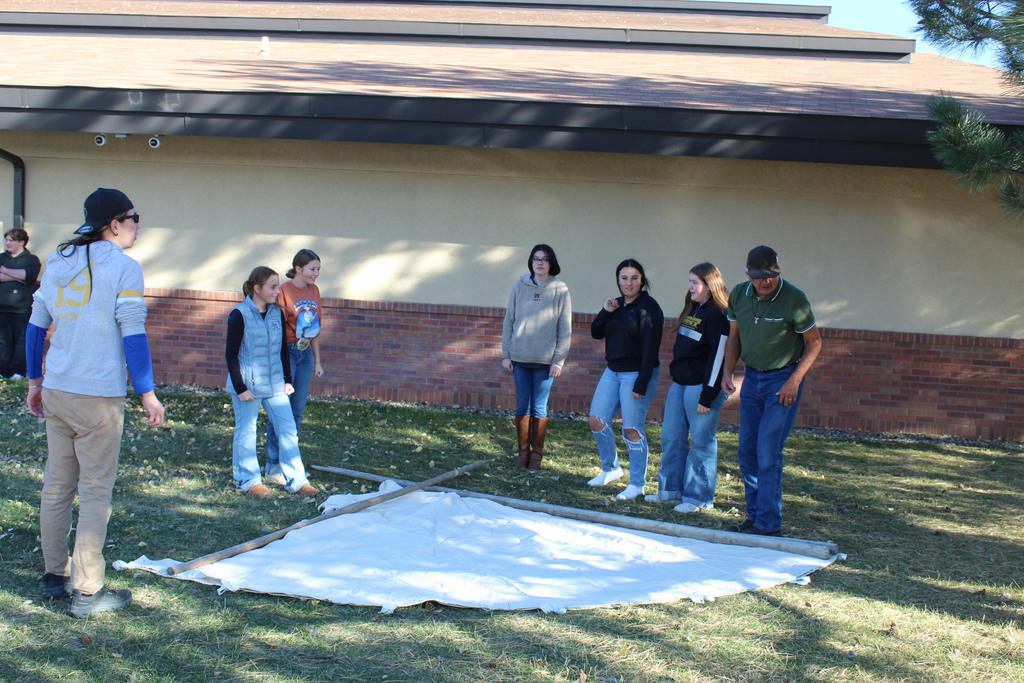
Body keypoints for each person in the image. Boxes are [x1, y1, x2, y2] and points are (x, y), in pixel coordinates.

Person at [25, 187, 165, 618]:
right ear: (115, 225)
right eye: (133, 217)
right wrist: (147, 391)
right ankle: (87, 592)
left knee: (57, 486)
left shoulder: (57, 261)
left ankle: (54, 575)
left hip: (58, 389)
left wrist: (34, 381)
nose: (138, 225)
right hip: (97, 396)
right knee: (95, 492)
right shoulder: (125, 268)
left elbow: (35, 328)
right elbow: (133, 334)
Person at [721, 246, 822, 537]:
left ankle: (769, 523)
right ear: (748, 274)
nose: (765, 282)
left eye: (770, 276)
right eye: (758, 277)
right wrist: (728, 371)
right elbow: (734, 337)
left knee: (768, 450)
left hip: (783, 379)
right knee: (746, 450)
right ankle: (754, 517)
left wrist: (795, 380)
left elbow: (814, 343)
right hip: (752, 378)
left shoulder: (794, 298)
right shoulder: (739, 294)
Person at [225, 266, 318, 498]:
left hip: (276, 384)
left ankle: (297, 480)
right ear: (257, 288)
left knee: (288, 430)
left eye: (277, 286)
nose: (278, 291)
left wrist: (287, 380)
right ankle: (248, 480)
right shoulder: (239, 314)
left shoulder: (277, 313)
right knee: (246, 432)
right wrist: (241, 388)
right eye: (272, 287)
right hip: (248, 386)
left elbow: (282, 351)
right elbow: (230, 354)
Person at [648, 263, 731, 513]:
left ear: (709, 285)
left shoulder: (718, 315)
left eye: (695, 282)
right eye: (690, 281)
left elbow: (718, 358)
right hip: (680, 384)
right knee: (671, 437)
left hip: (701, 388)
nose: (690, 286)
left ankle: (698, 498)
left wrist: (708, 395)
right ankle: (670, 491)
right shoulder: (694, 309)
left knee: (701, 443)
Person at [587, 259, 664, 500]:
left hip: (637, 373)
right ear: (618, 280)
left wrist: (641, 383)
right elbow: (596, 332)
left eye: (633, 278)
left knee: (631, 428)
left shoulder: (649, 308)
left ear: (642, 279)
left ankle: (637, 484)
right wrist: (605, 311)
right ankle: (611, 469)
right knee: (596, 420)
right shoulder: (616, 304)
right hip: (612, 371)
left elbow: (651, 350)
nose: (628, 283)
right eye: (624, 278)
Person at [501, 244, 572, 471]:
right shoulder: (519, 286)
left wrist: (558, 360)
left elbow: (565, 328)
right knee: (523, 406)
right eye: (535, 259)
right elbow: (508, 321)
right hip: (520, 357)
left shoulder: (560, 289)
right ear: (531, 263)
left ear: (551, 263)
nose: (539, 263)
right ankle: (523, 453)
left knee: (539, 409)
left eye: (544, 259)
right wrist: (506, 354)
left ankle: (536, 457)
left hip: (545, 361)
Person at [264, 249, 324, 484]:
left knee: (297, 410)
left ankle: (291, 463)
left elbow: (316, 326)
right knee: (281, 409)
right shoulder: (284, 291)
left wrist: (317, 360)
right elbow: (275, 327)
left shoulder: (315, 291)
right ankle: (273, 465)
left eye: (318, 269)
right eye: (312, 269)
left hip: (305, 353)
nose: (316, 274)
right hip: (286, 352)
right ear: (298, 269)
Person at [0, 228, 41, 379]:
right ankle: (3, 372)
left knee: (21, 341)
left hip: (22, 308)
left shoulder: (31, 260)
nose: (7, 243)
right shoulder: (2, 257)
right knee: (3, 341)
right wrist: (18, 276)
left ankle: (19, 372)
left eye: (11, 240)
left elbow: (28, 276)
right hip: (2, 308)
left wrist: (4, 271)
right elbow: (22, 277)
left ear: (21, 242)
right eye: (6, 240)